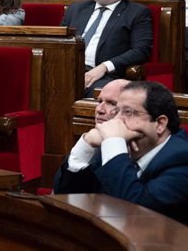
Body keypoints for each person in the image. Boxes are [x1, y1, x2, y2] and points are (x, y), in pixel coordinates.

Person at [54, 81, 188, 225]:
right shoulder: (115, 145)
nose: (116, 121)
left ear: (160, 124)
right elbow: (66, 200)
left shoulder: (182, 160)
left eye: (128, 112)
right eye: (117, 111)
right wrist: (86, 145)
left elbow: (138, 216)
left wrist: (113, 143)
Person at [61, 0, 153, 96]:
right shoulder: (76, 8)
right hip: (67, 70)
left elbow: (141, 50)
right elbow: (60, 41)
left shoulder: (136, 13)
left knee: (100, 92)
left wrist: (105, 67)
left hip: (105, 76)